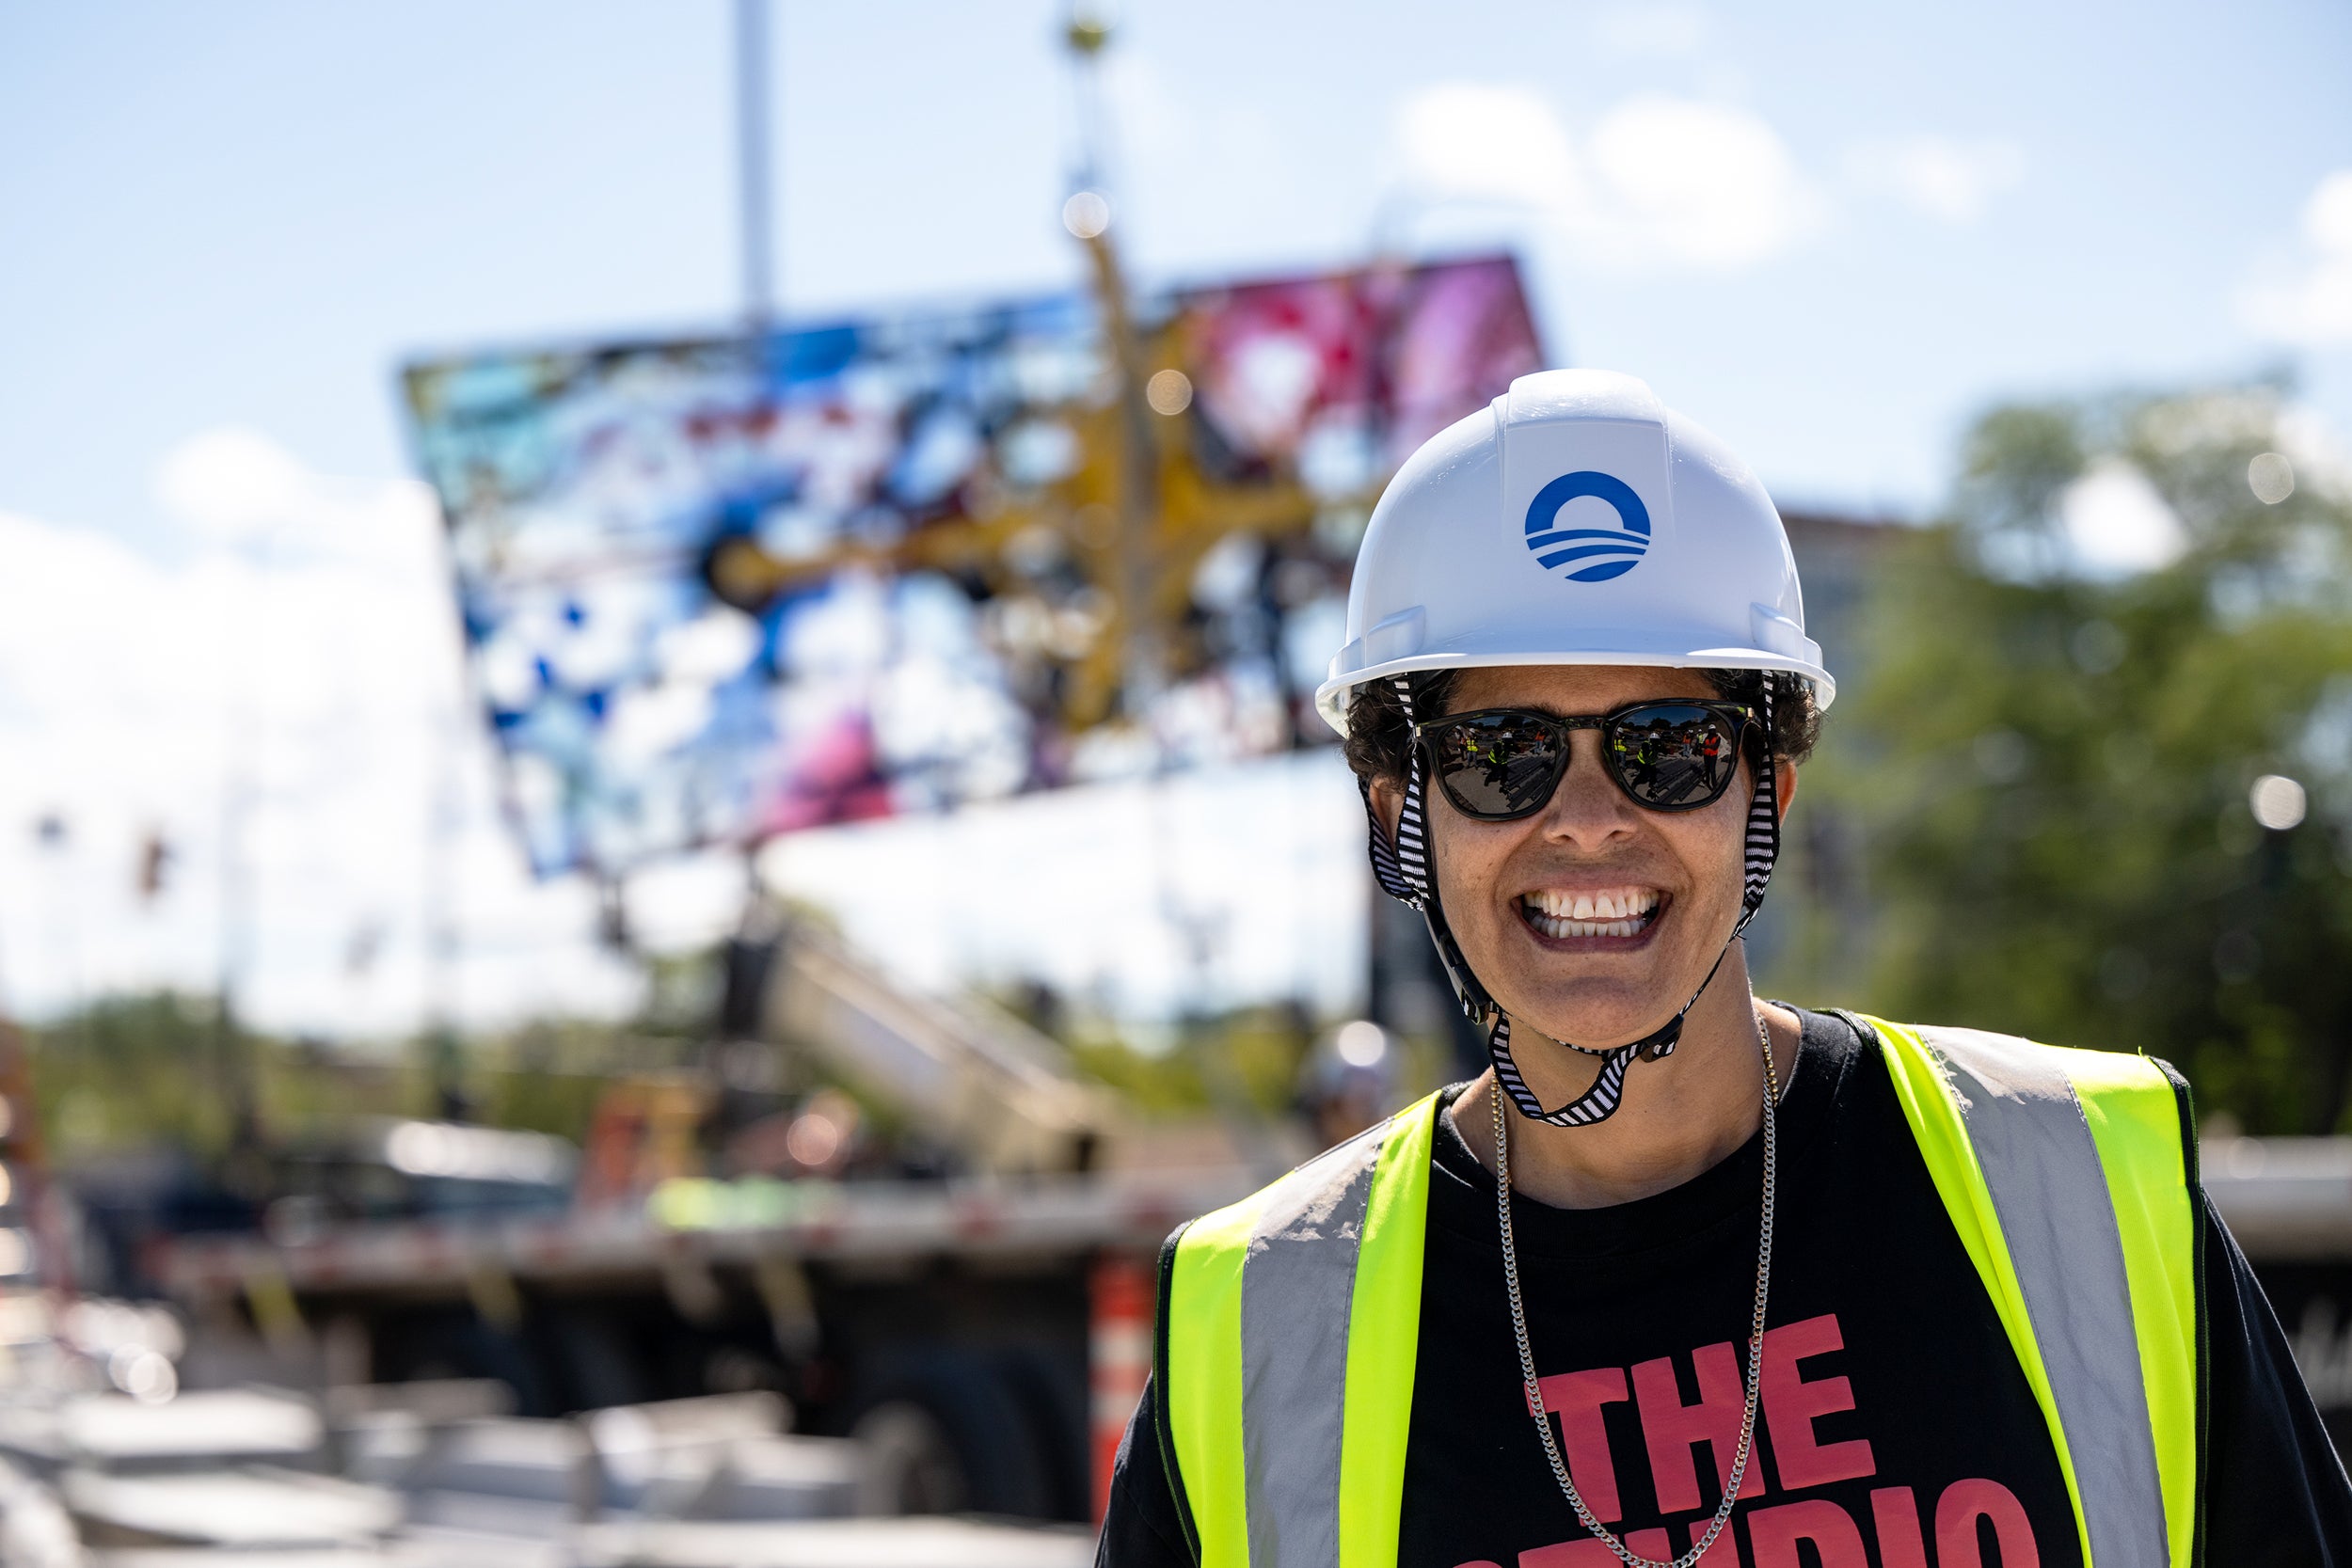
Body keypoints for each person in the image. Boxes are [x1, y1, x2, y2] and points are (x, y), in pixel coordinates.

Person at [1097, 371, 2352, 1568]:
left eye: (1670, 746)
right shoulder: (1266, 1323)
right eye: (1499, 753)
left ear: (1771, 793)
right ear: (1398, 817)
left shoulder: (2077, 1184)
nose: (1587, 820)